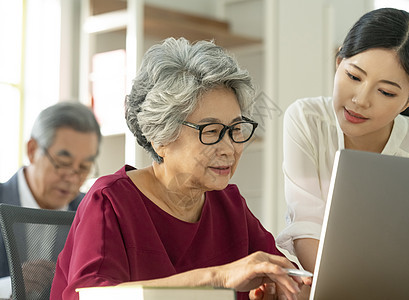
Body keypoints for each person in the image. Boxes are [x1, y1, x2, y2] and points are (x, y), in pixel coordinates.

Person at [50, 37, 311, 300]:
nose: (229, 148)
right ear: (161, 137)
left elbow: (291, 283)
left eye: (235, 130)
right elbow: (89, 296)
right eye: (211, 131)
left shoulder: (229, 204)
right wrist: (217, 278)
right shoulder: (110, 201)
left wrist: (279, 292)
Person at [276, 6, 409, 280]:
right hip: (321, 285)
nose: (361, 99)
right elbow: (306, 223)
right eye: (354, 76)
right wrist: (332, 289)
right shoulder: (307, 119)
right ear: (338, 62)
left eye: (386, 92)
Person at [0, 101, 101, 298]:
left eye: (83, 168)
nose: (72, 178)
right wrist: (10, 284)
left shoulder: (92, 211)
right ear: (32, 150)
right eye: (62, 164)